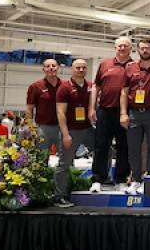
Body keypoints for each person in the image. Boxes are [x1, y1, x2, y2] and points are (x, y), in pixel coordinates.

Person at [120, 40, 150, 195]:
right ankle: (136, 179)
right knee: (133, 148)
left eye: (147, 48)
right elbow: (124, 92)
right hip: (134, 113)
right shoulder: (130, 68)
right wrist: (123, 113)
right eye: (142, 48)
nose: (145, 50)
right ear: (138, 50)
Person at [89, 37, 133, 193]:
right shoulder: (105, 64)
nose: (122, 48)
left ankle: (121, 179)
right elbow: (96, 87)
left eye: (125, 46)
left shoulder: (135, 66)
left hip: (125, 112)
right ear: (115, 48)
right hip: (104, 110)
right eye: (119, 45)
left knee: (124, 147)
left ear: (130, 49)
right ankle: (97, 179)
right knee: (101, 146)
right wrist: (92, 108)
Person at [54, 59, 93, 207]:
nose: (81, 70)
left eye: (84, 67)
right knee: (64, 164)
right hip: (71, 130)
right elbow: (60, 113)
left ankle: (100, 181)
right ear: (72, 69)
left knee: (105, 151)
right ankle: (60, 196)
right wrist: (65, 134)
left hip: (88, 129)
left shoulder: (90, 86)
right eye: (78, 68)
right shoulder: (64, 88)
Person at [26, 59, 62, 155]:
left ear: (58, 68)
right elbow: (29, 108)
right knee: (42, 157)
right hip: (43, 128)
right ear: (43, 70)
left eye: (53, 65)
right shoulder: (35, 86)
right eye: (48, 66)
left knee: (66, 157)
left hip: (62, 127)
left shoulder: (65, 86)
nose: (51, 68)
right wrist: (31, 127)